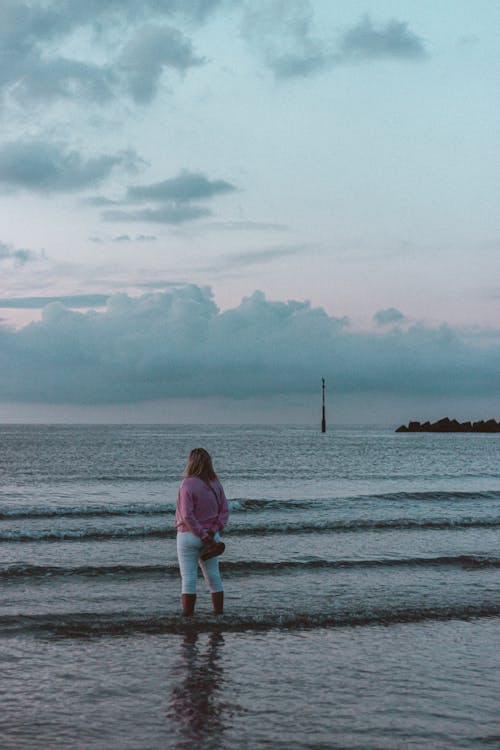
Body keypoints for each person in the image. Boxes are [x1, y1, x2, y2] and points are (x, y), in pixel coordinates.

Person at [175, 448, 229, 617]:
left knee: (189, 579)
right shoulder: (216, 483)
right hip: (212, 537)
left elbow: (187, 516)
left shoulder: (187, 484)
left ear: (191, 462)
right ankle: (219, 615)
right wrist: (211, 532)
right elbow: (224, 511)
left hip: (189, 536)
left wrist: (203, 536)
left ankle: (188, 619)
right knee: (214, 577)